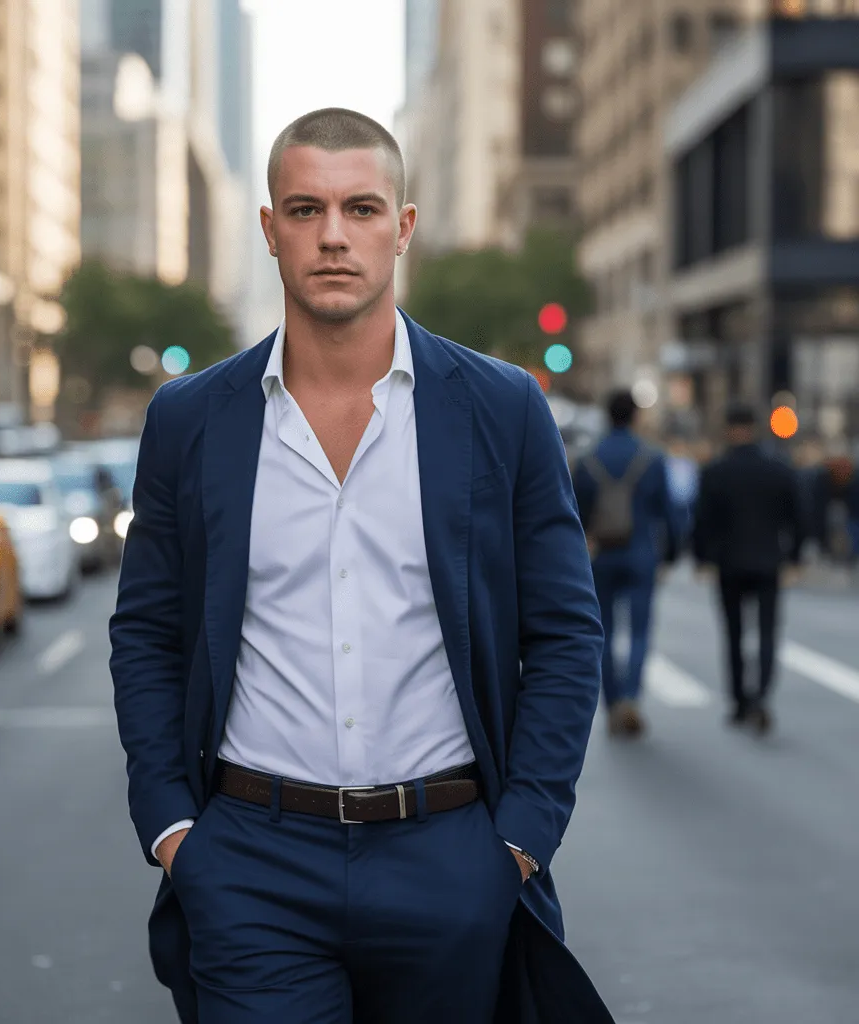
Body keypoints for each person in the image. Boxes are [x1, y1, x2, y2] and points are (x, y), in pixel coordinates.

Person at [110, 108, 613, 1024]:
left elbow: (566, 631)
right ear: (269, 230)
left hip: (451, 856)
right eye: (304, 210)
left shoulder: (502, 409)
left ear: (403, 227)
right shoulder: (191, 419)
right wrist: (173, 827)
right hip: (252, 863)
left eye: (361, 209)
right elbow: (146, 629)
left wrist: (521, 838)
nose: (333, 236)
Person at [693, 402, 806, 734]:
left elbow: (703, 520)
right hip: (770, 560)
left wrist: (702, 558)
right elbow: (797, 517)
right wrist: (795, 557)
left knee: (734, 633)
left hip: (729, 562)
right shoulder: (779, 467)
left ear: (729, 429)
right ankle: (761, 695)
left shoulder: (716, 470)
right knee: (769, 630)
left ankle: (740, 700)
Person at [573, 390, 680, 738]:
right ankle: (631, 698)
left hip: (601, 554)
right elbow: (670, 512)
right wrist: (671, 555)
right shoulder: (653, 457)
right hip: (641, 553)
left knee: (601, 632)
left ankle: (612, 701)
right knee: (639, 630)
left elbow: (575, 511)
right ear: (635, 416)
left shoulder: (589, 459)